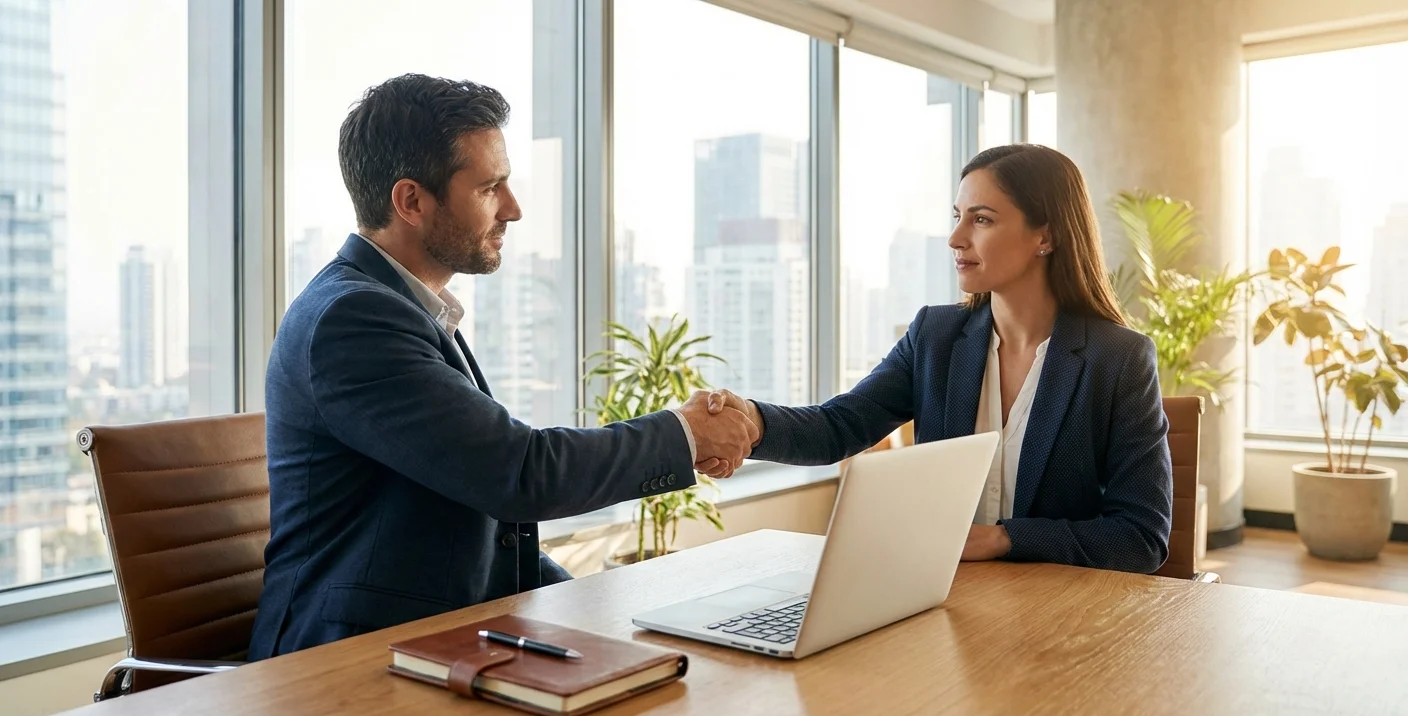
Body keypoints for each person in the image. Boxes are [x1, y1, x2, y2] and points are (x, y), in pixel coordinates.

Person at [249, 75, 757, 659]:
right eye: (491, 188)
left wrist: (600, 618)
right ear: (411, 201)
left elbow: (482, 519)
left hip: (441, 639)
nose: (513, 209)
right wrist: (687, 433)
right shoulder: (353, 321)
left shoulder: (407, 309)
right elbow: (519, 474)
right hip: (343, 664)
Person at [699, 144, 1172, 574]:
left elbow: (1140, 537)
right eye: (957, 216)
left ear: (1043, 235)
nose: (955, 238)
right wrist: (753, 422)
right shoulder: (935, 337)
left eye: (981, 219)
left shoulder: (1118, 359)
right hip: (944, 597)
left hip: (1060, 616)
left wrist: (1004, 539)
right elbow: (839, 426)